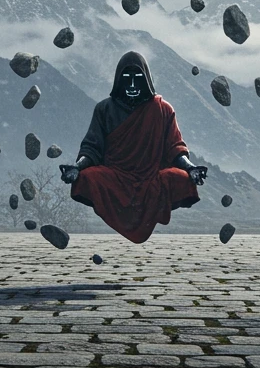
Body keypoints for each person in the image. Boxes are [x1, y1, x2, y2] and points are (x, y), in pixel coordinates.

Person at [60, 51, 206, 243]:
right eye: (126, 79)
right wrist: (77, 168)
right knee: (86, 178)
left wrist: (190, 168)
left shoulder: (163, 109)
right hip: (115, 176)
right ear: (118, 81)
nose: (132, 85)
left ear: (147, 81)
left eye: (138, 79)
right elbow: (92, 148)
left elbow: (175, 147)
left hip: (151, 177)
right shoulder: (104, 109)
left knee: (183, 179)